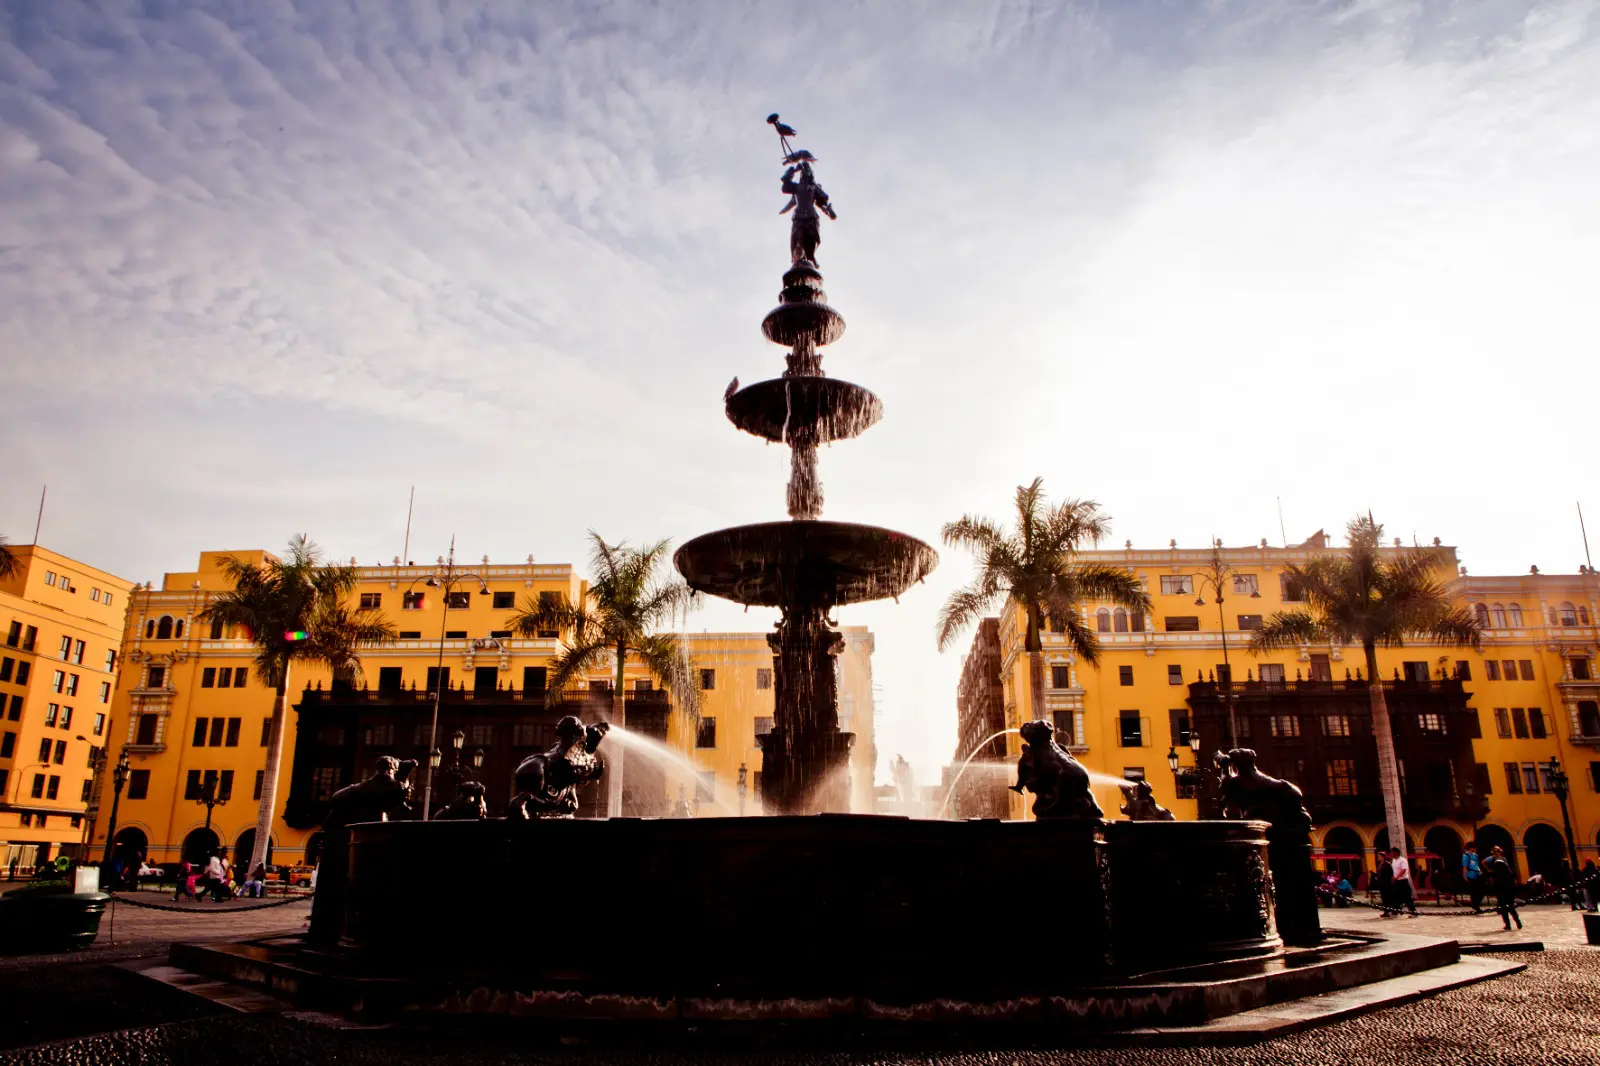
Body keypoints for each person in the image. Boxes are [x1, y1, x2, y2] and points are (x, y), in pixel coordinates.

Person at [1483, 845, 1521, 930]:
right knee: (1510, 905)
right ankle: (1517, 922)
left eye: (1497, 852)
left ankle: (1509, 925)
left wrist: (1489, 871)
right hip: (1507, 885)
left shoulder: (1495, 860)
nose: (1497, 853)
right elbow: (1509, 871)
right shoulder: (1499, 860)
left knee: (1503, 906)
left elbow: (1484, 863)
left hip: (1500, 886)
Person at [1390, 848, 1419, 917]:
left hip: (1403, 881)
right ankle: (1396, 911)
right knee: (1395, 896)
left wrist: (1396, 877)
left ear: (1396, 852)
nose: (1391, 854)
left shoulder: (1402, 860)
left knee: (1407, 897)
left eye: (1392, 852)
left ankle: (1413, 912)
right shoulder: (1394, 860)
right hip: (1396, 881)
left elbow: (1403, 870)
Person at [1462, 843, 1484, 913]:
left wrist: (1480, 871)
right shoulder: (1466, 856)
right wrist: (1465, 876)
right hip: (1470, 874)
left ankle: (1476, 904)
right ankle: (1476, 906)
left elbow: (1476, 864)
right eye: (1473, 847)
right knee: (1474, 891)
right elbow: (1464, 867)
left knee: (1482, 889)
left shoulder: (1476, 856)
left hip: (1477, 873)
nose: (1474, 849)